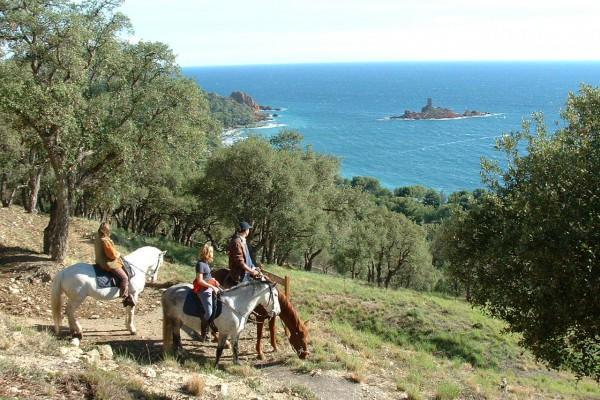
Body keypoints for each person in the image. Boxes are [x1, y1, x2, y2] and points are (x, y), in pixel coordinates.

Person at [94, 222, 133, 305]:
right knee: (124, 278)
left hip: (99, 261)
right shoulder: (105, 241)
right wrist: (118, 254)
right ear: (107, 231)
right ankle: (124, 297)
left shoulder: (98, 238)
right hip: (108, 263)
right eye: (109, 230)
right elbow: (111, 255)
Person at [192, 243, 221, 322]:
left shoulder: (206, 263)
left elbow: (207, 276)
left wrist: (213, 280)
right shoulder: (200, 264)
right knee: (209, 312)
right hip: (202, 289)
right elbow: (200, 281)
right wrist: (212, 287)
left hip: (208, 286)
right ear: (207, 253)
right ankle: (203, 330)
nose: (212, 255)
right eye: (211, 252)